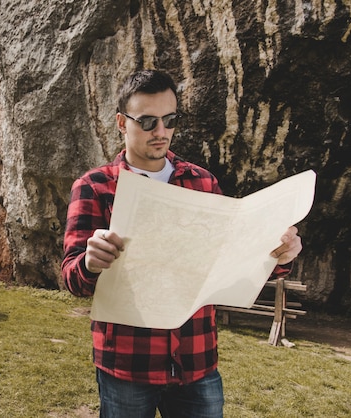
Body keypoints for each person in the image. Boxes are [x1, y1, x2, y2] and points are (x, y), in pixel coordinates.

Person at [61, 69, 302, 418]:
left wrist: (279, 255)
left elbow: (232, 260)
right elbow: (71, 277)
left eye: (170, 119)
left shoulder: (203, 182)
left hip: (196, 362)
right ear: (120, 122)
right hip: (127, 366)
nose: (161, 133)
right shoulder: (94, 186)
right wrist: (89, 262)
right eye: (147, 122)